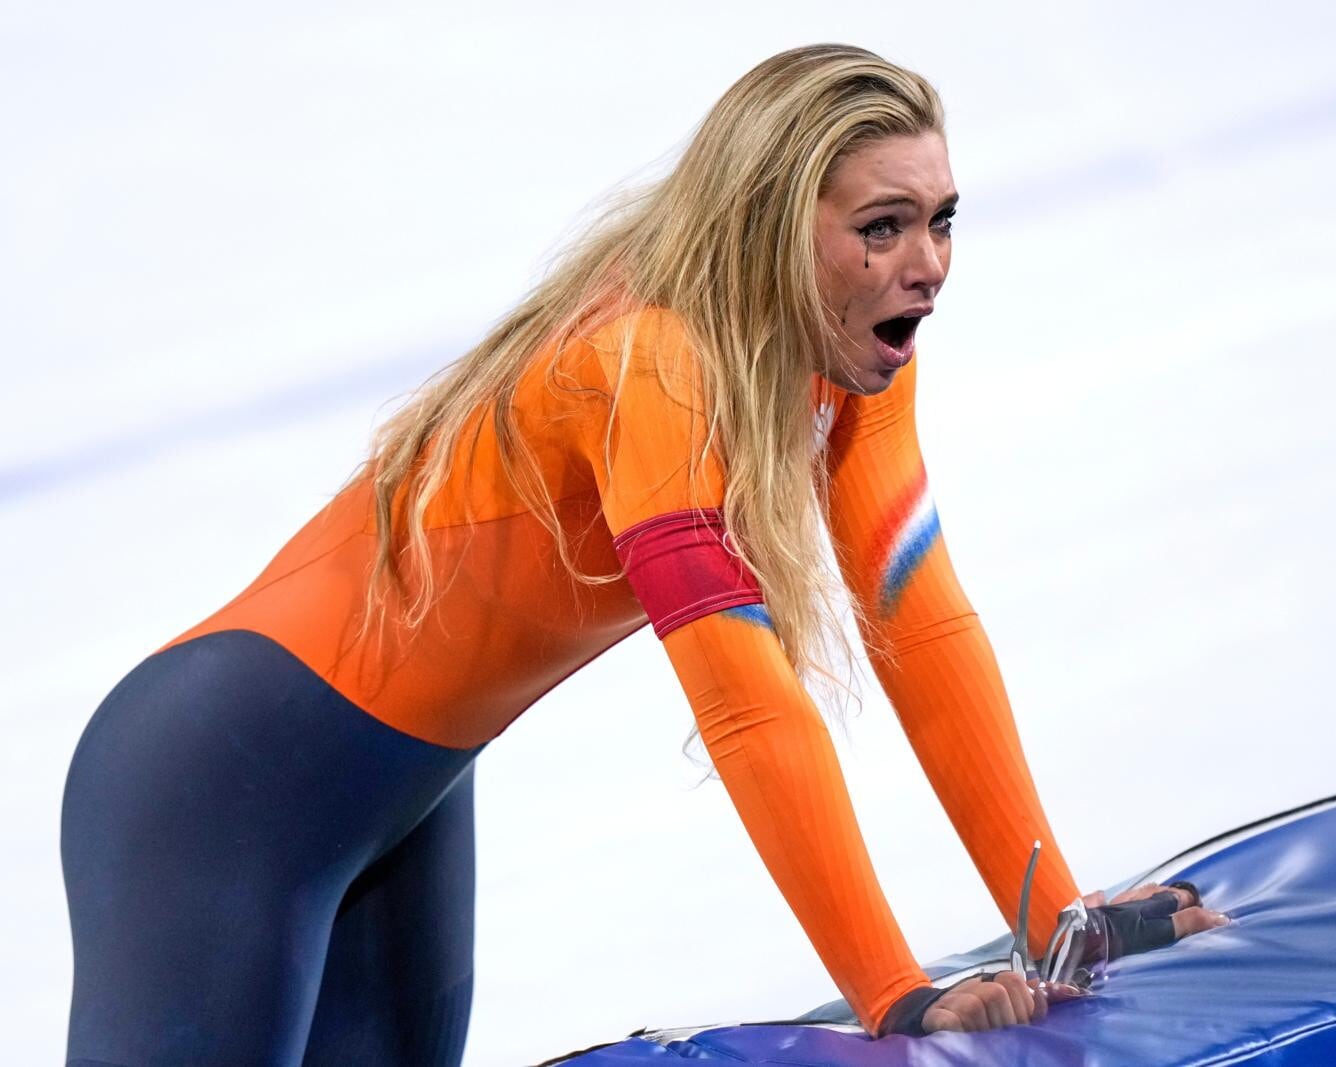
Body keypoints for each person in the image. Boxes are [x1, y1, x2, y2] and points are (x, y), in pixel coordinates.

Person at [59, 43, 1227, 1066]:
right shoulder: (650, 366)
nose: (927, 263)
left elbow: (919, 620)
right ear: (771, 224)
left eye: (941, 219)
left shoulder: (853, 357)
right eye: (881, 227)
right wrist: (893, 989)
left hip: (403, 797)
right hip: (216, 783)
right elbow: (746, 703)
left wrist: (1057, 915)